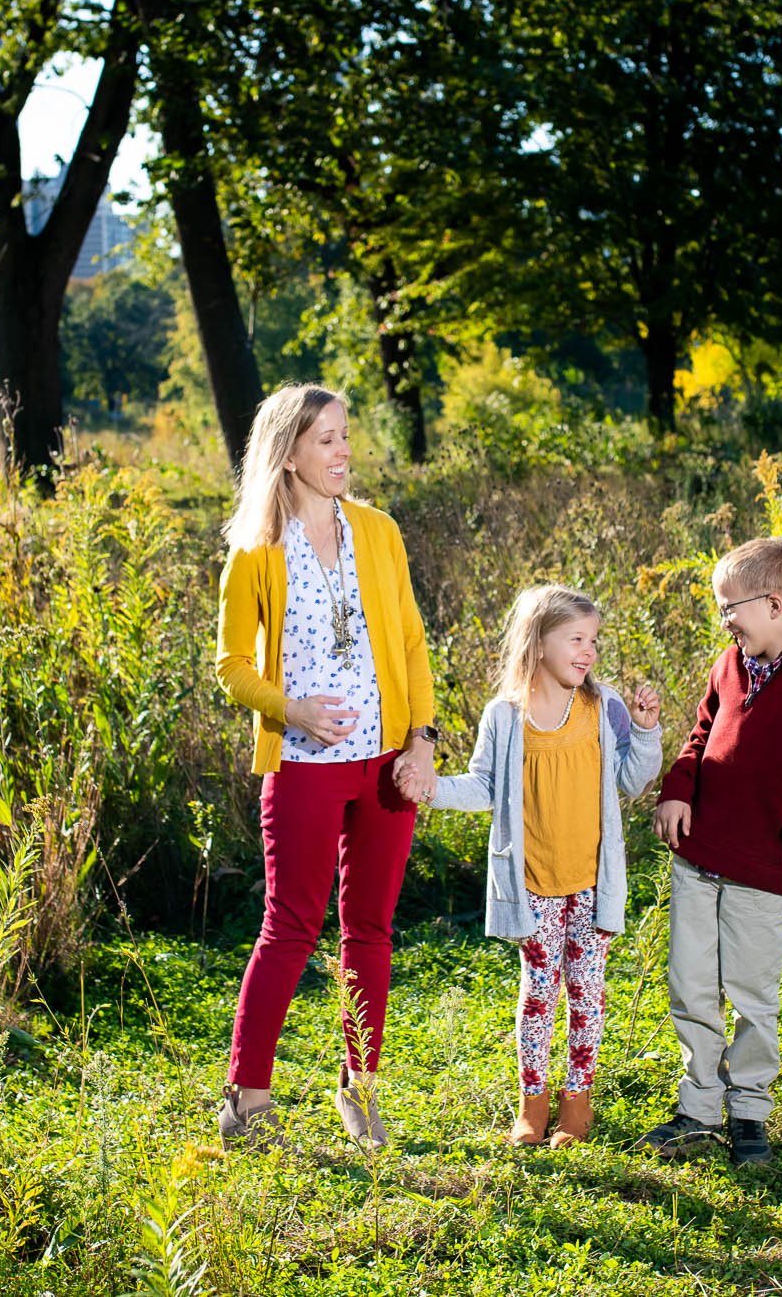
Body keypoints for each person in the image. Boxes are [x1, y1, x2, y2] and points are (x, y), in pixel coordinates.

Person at [212, 384, 439, 1152]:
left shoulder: (377, 530)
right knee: (291, 925)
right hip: (305, 765)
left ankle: (360, 1088)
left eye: (346, 437)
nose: (344, 452)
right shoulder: (254, 549)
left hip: (383, 765)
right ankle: (247, 1098)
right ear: (289, 451)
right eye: (327, 440)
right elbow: (231, 666)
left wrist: (423, 739)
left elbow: (409, 639)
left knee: (370, 928)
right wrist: (292, 709)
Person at [638, 538, 782, 1167]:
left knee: (750, 995)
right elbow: (699, 734)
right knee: (690, 985)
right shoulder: (728, 665)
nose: (725, 621)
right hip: (699, 851)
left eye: (729, 609)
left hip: (766, 869)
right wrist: (677, 790)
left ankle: (748, 1115)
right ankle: (699, 1109)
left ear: (773, 603)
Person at [413, 584, 662, 1147]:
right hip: (533, 887)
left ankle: (578, 1103)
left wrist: (646, 733)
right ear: (538, 642)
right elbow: (481, 786)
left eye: (593, 640)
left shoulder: (604, 706)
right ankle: (533, 1105)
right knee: (537, 996)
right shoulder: (504, 717)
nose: (589, 651)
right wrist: (430, 787)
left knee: (588, 994)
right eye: (576, 638)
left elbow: (631, 778)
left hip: (593, 884)